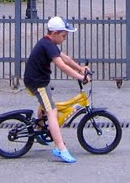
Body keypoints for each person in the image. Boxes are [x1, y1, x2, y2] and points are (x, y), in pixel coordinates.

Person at [23, 16, 90, 164]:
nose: (65, 39)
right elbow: (62, 66)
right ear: (54, 33)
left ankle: (40, 129)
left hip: (39, 80)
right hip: (37, 83)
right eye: (63, 36)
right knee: (52, 111)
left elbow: (64, 58)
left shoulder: (49, 43)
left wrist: (81, 68)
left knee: (46, 104)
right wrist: (80, 77)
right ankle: (61, 148)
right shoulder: (47, 45)